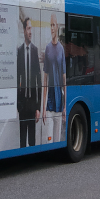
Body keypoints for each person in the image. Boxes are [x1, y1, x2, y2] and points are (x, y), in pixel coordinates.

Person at [16, 14, 41, 148]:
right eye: (29, 29)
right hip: (22, 104)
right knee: (22, 140)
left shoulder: (35, 51)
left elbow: (39, 81)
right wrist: (17, 104)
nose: (30, 32)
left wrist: (38, 107)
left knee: (32, 140)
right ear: (24, 31)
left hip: (32, 104)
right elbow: (17, 79)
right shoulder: (19, 51)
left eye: (32, 29)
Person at [42, 13, 66, 145]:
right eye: (50, 25)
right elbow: (45, 80)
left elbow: (64, 79)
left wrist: (65, 108)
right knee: (49, 140)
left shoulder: (61, 49)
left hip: (59, 102)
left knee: (57, 139)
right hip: (50, 102)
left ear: (57, 27)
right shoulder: (47, 48)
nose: (51, 28)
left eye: (53, 25)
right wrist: (43, 107)